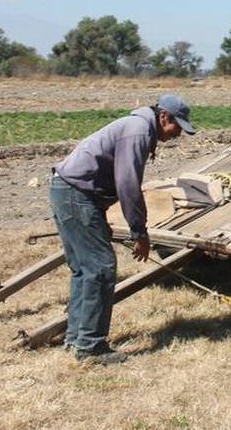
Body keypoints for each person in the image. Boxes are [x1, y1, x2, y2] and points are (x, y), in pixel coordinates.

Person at [49, 94, 196, 364]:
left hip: (69, 191)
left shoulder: (137, 128)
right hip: (76, 195)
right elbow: (128, 185)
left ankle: (77, 339)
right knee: (100, 267)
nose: (178, 134)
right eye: (178, 126)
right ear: (164, 117)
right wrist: (139, 232)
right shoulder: (138, 132)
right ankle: (91, 346)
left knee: (84, 269)